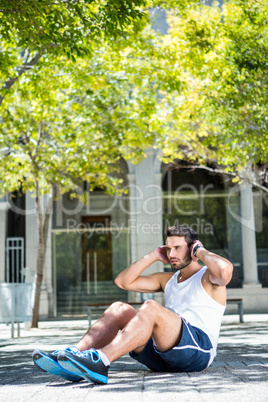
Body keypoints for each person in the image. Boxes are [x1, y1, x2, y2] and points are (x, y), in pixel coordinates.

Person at [33, 224, 233, 385]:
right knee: (119, 308)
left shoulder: (208, 277)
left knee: (150, 307)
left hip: (197, 350)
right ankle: (74, 357)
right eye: (168, 248)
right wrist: (154, 255)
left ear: (192, 248)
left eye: (177, 248)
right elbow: (123, 282)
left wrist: (200, 250)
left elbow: (225, 271)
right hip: (162, 354)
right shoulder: (168, 280)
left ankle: (101, 360)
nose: (171, 253)